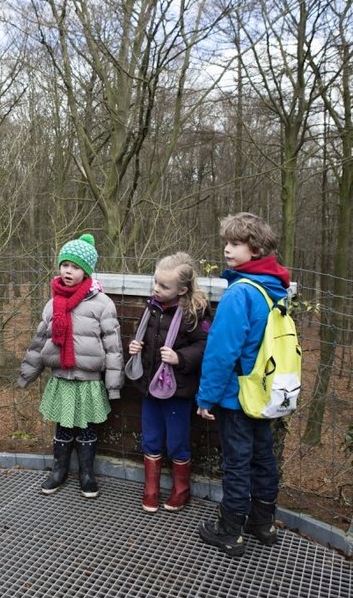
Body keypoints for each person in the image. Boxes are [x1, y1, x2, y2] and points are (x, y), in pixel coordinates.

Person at [196, 212, 291, 557]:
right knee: (263, 457)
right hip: (264, 392)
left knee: (237, 462)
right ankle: (263, 524)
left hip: (237, 395)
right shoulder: (276, 288)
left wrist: (206, 397)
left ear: (255, 249)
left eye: (235, 244)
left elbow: (222, 353)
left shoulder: (240, 293)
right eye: (226, 242)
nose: (227, 249)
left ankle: (230, 530)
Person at [18, 234, 124, 498]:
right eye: (65, 264)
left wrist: (113, 386)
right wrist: (26, 375)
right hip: (61, 377)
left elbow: (113, 348)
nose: (68, 270)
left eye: (75, 267)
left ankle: (87, 474)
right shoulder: (53, 303)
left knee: (87, 428)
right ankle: (59, 470)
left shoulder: (102, 304)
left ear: (86, 271)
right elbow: (39, 341)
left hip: (88, 380)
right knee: (63, 428)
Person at [126, 253, 210, 514]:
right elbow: (145, 335)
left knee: (177, 441)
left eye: (164, 286)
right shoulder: (152, 306)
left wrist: (180, 357)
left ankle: (181, 490)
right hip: (149, 387)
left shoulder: (193, 313)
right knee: (150, 438)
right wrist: (134, 344)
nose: (156, 289)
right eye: (155, 283)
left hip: (177, 391)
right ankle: (150, 489)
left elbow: (205, 344)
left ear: (182, 290)